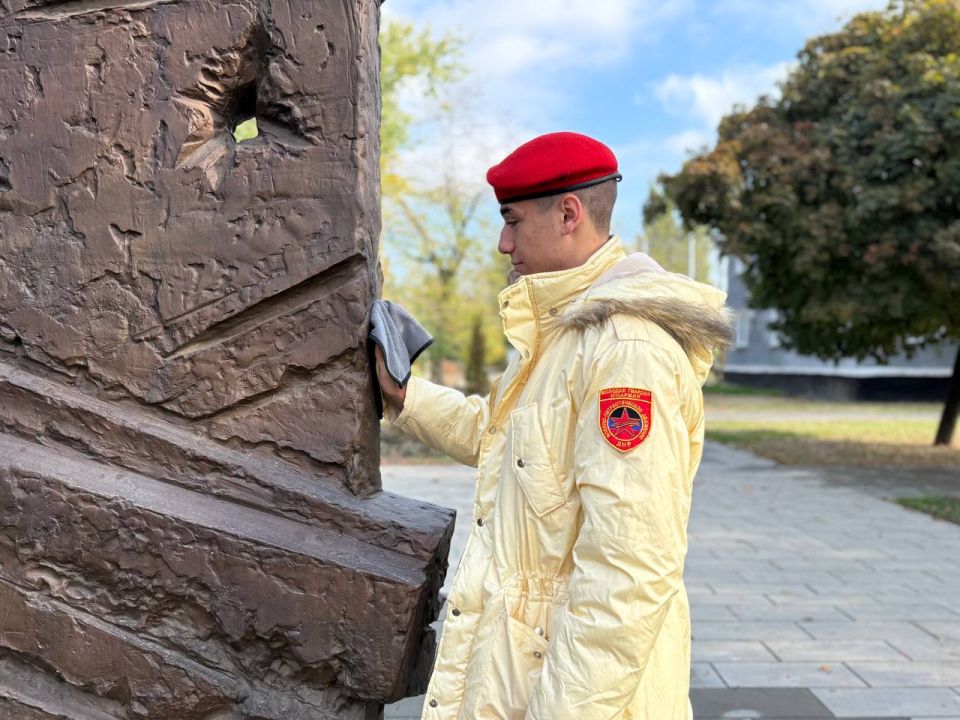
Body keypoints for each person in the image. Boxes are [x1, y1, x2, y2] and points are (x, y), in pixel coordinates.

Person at [375, 131, 733, 720]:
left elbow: (627, 574)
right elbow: (500, 434)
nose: (502, 242)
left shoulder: (626, 350)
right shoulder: (564, 334)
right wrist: (405, 395)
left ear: (568, 214)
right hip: (519, 675)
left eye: (512, 221)